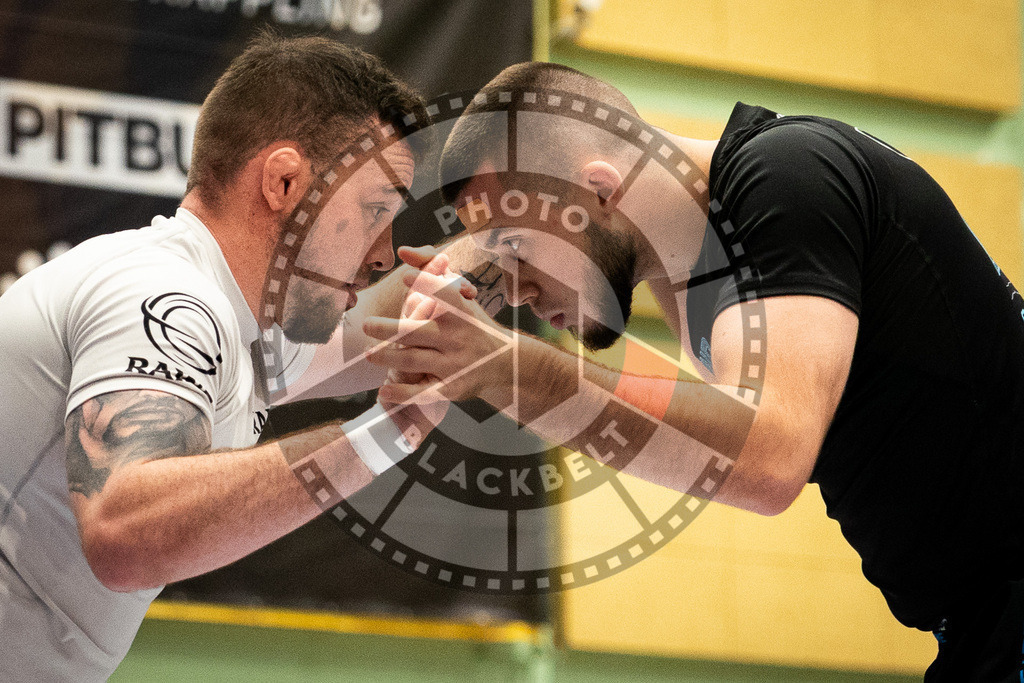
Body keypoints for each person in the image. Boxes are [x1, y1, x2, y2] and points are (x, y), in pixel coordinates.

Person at [364, 62, 1024, 681]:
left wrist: (513, 373)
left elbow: (769, 457)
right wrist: (284, 349)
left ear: (597, 191)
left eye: (516, 250)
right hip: (977, 620)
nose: (512, 293)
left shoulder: (787, 179)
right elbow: (408, 301)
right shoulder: (691, 255)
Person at [0, 33, 475, 681]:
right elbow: (127, 530)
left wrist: (511, 242)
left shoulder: (231, 323)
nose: (386, 252)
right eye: (373, 212)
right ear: (283, 180)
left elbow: (384, 337)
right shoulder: (167, 297)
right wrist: (389, 431)